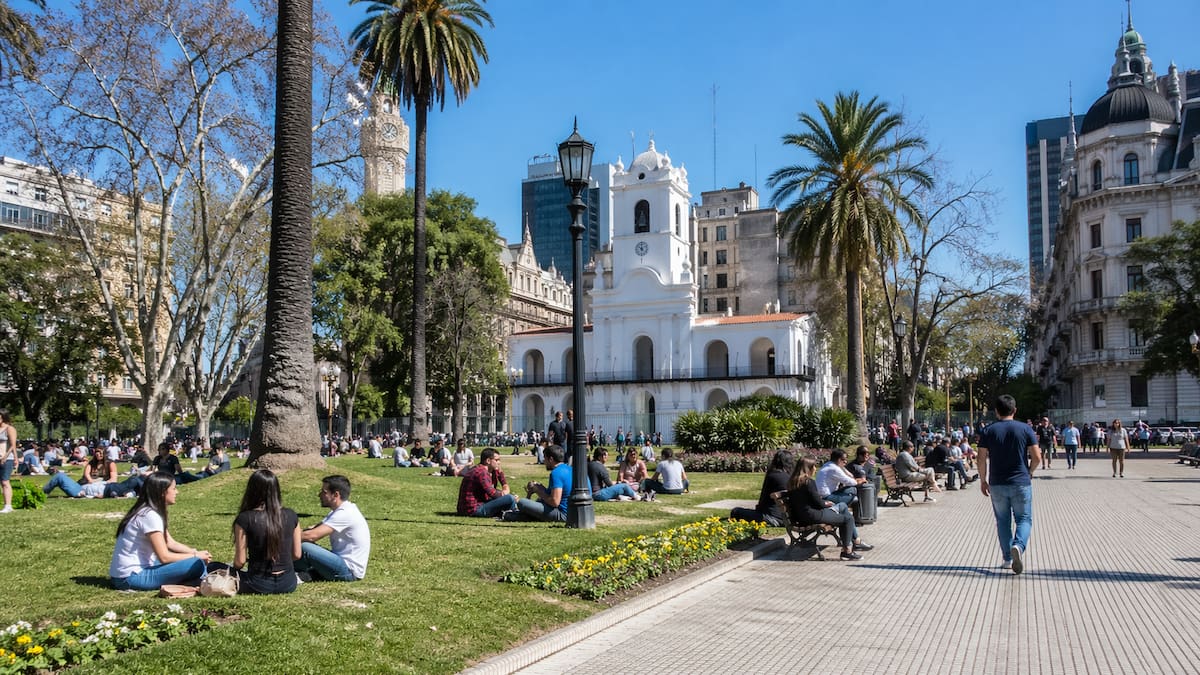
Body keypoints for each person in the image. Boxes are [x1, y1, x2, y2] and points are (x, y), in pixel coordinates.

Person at [108, 471, 212, 590]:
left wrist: (194, 552)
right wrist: (195, 556)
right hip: (130, 578)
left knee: (192, 561)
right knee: (196, 564)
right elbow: (164, 557)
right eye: (174, 488)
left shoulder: (146, 511)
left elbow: (169, 543)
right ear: (162, 492)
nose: (176, 492)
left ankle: (198, 577)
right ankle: (204, 580)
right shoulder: (150, 516)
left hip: (126, 574)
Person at [207, 469, 301, 594]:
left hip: (257, 584)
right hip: (288, 583)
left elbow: (240, 561)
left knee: (213, 566)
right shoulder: (292, 515)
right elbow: (297, 555)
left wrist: (234, 571)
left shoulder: (245, 518)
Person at [977, 394, 1041, 575]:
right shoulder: (1025, 429)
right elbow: (1037, 457)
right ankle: (1018, 546)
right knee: (1024, 519)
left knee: (1002, 521)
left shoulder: (988, 431)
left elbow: (981, 458)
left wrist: (983, 480)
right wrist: (1030, 472)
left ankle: (1007, 558)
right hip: (1021, 481)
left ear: (996, 411)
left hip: (997, 483)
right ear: (1015, 410)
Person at [785, 457, 872, 561]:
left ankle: (854, 543)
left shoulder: (792, 482)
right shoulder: (808, 482)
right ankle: (847, 551)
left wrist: (825, 503)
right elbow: (818, 503)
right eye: (814, 466)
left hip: (801, 516)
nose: (815, 469)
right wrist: (826, 504)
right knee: (848, 519)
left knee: (843, 507)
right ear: (808, 468)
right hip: (813, 515)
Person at [297, 475, 370, 582]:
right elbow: (311, 530)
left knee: (305, 547)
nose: (319, 495)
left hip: (349, 571)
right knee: (300, 545)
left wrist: (279, 539)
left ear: (336, 495)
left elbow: (312, 536)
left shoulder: (345, 513)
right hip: (339, 561)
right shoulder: (338, 511)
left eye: (324, 492)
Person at [730, 449, 794, 526]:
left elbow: (763, 500)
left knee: (736, 511)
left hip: (772, 517)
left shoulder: (773, 476)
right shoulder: (793, 477)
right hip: (789, 517)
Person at [511, 445, 574, 522]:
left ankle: (514, 516)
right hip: (572, 512)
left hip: (563, 514)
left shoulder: (556, 473)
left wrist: (538, 491)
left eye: (545, 458)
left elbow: (555, 502)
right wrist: (540, 488)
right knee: (538, 502)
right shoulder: (570, 469)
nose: (544, 461)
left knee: (522, 502)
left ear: (551, 459)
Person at [457, 448, 518, 517]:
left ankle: (511, 514)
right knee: (510, 498)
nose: (499, 462)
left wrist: (504, 485)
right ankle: (513, 515)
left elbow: (500, 477)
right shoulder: (481, 472)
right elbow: (492, 493)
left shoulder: (483, 469)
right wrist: (505, 494)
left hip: (474, 506)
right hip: (473, 509)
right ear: (488, 461)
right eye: (496, 460)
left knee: (509, 499)